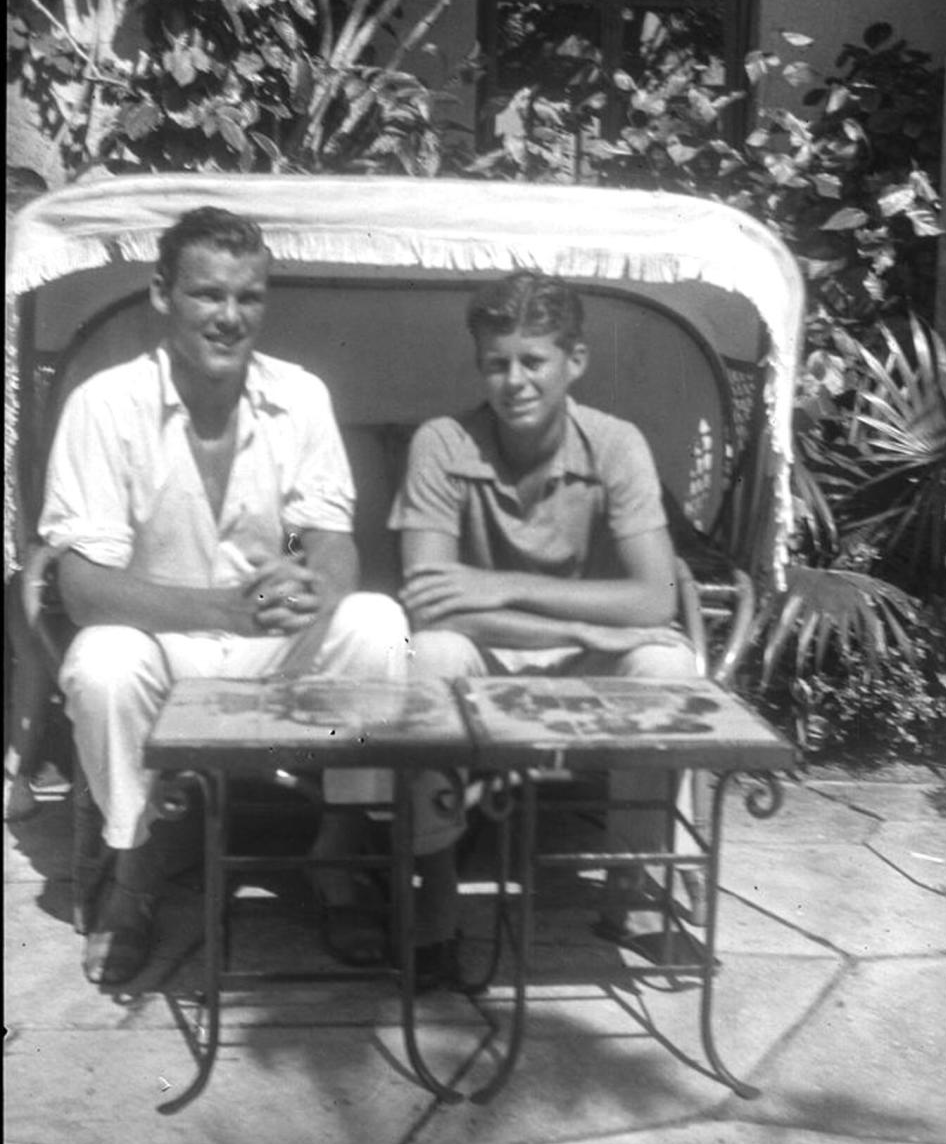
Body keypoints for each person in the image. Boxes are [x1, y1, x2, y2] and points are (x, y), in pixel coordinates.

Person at [39, 206, 416, 987]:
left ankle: (339, 856)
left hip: (266, 644)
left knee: (379, 624)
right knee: (100, 663)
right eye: (208, 296)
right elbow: (80, 589)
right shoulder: (105, 405)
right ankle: (134, 877)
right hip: (160, 639)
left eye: (249, 297)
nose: (230, 317)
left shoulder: (299, 396)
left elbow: (332, 538)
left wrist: (315, 585)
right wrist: (221, 611)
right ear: (161, 295)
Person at [389, 271, 704, 964]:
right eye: (497, 364)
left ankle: (633, 880)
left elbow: (654, 600)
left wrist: (495, 585)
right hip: (494, 654)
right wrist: (587, 625)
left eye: (534, 361)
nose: (515, 382)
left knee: (667, 663)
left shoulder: (616, 444)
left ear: (575, 362)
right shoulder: (442, 443)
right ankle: (436, 888)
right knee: (433, 655)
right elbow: (430, 602)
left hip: (582, 660)